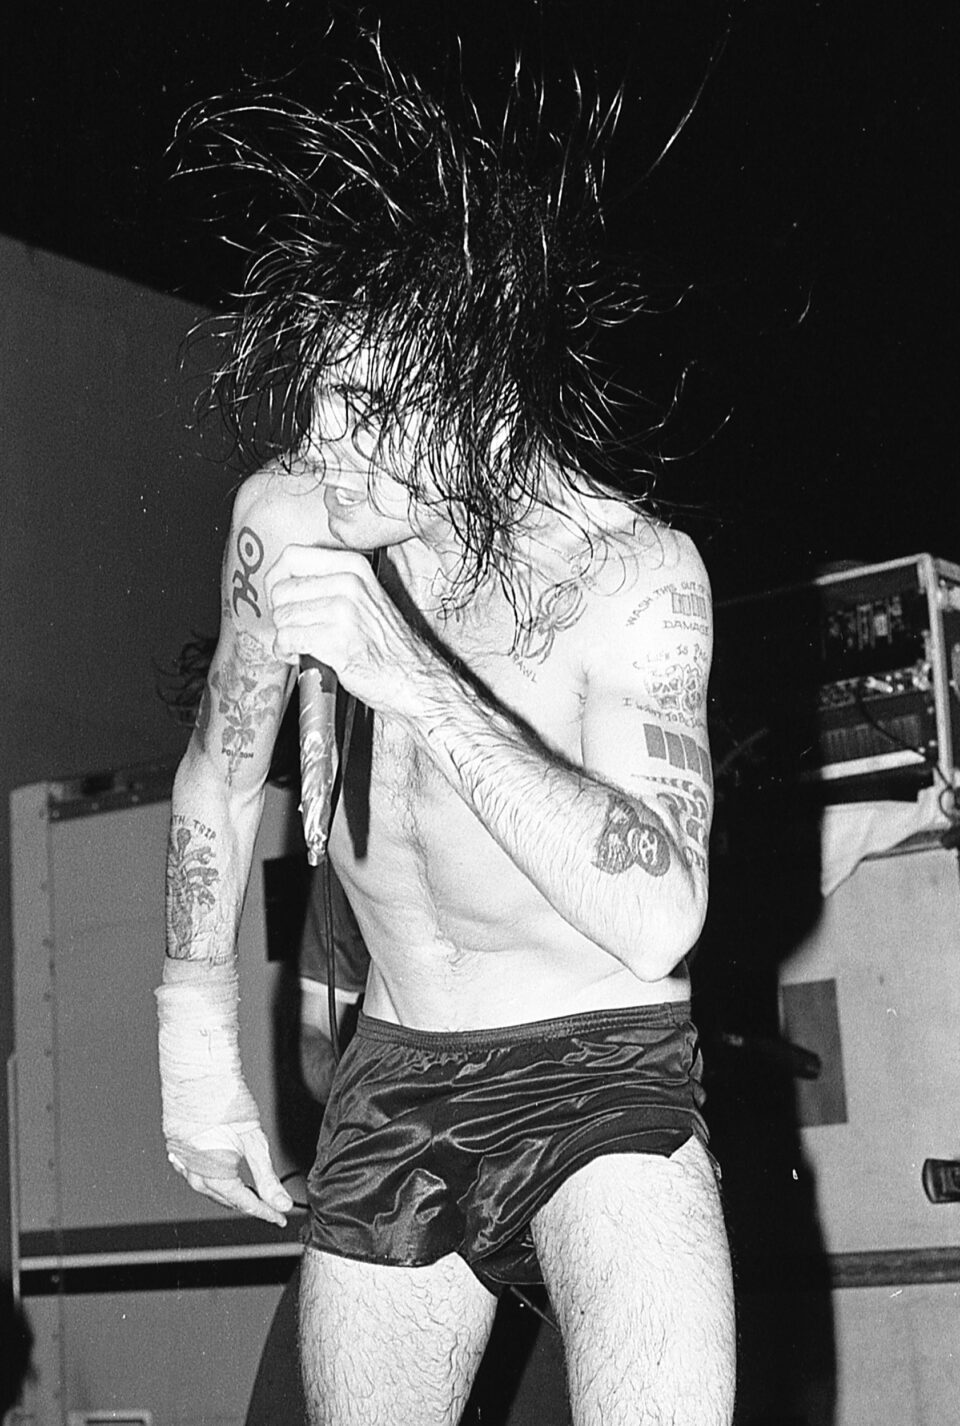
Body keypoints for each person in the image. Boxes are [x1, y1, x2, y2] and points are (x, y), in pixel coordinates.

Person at [158, 38, 735, 1426]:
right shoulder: (294, 512)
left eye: (365, 414)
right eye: (316, 402)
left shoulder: (633, 573)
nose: (322, 448)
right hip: (399, 1068)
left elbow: (661, 909)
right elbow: (217, 784)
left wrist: (409, 676)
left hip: (603, 1067)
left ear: (484, 389)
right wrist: (193, 1052)